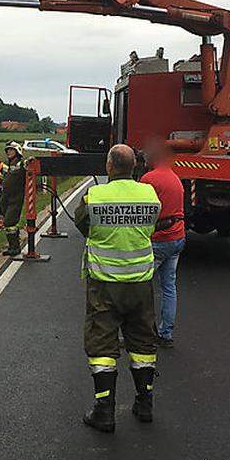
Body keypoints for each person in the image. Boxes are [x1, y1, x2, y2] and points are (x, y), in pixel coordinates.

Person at [74, 144, 162, 433]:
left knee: (102, 345)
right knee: (143, 343)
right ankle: (145, 403)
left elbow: (83, 224)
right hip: (140, 283)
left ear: (109, 166)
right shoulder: (149, 195)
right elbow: (150, 227)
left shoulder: (95, 196)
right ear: (135, 167)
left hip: (105, 284)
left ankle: (104, 410)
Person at [139, 142, 186, 349]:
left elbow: (139, 210)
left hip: (158, 239)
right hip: (177, 238)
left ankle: (140, 333)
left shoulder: (149, 179)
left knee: (139, 286)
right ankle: (166, 333)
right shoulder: (175, 178)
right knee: (169, 287)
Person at [0, 141, 26, 256]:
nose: (9, 152)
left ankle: (15, 247)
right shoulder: (6, 165)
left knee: (9, 221)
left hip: (16, 197)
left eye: (11, 150)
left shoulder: (21, 163)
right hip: (5, 197)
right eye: (7, 150)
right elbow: (1, 177)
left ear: (17, 151)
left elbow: (28, 169)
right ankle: (12, 247)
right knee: (8, 224)